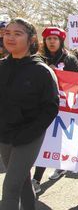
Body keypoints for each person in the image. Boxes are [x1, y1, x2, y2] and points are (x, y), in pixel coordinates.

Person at [0, 18, 59, 210]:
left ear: (31, 39)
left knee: (9, 188)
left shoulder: (42, 71)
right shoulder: (1, 66)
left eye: (17, 34)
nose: (10, 37)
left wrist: (29, 133)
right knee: (22, 181)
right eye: (7, 33)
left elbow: (51, 108)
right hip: (5, 135)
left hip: (28, 137)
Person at [32, 27, 78, 191]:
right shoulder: (37, 58)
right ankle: (36, 179)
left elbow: (76, 84)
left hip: (63, 107)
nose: (52, 42)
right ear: (44, 41)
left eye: (55, 39)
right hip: (40, 107)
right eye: (48, 39)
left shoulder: (70, 59)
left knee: (55, 141)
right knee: (43, 141)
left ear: (60, 41)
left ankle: (51, 171)